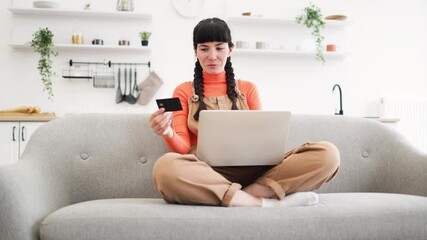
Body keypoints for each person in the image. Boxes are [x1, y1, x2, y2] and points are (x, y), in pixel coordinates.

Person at [149, 17, 340, 208]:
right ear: (195, 51)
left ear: (230, 50)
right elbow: (182, 148)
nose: (212, 56)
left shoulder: (248, 88)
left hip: (257, 172)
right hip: (208, 173)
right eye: (204, 48)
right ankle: (263, 202)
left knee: (328, 154)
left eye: (219, 47)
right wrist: (167, 132)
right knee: (165, 168)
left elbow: (263, 139)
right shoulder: (183, 91)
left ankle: (241, 196)